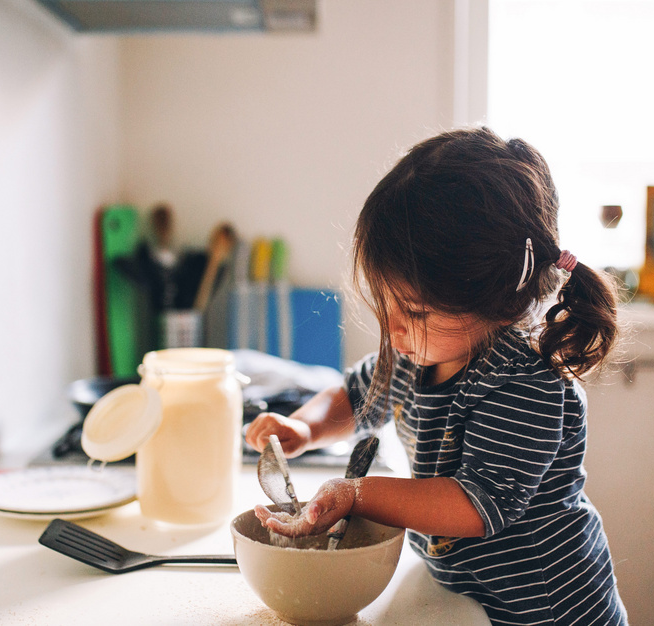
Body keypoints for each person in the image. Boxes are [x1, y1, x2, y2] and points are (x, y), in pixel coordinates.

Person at [245, 126, 629, 625]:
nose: (395, 330)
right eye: (388, 305)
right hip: (463, 596)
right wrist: (303, 428)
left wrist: (357, 493)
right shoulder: (415, 354)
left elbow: (473, 504)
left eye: (416, 312)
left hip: (546, 606)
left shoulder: (526, 382)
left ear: (501, 302)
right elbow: (355, 395)